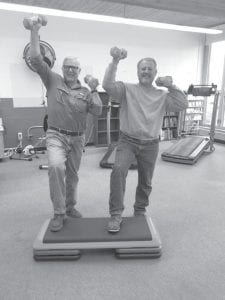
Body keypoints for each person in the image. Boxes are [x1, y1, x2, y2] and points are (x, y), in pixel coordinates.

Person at [25, 15, 102, 232]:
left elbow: (97, 110)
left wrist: (95, 88)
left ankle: (70, 207)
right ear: (63, 67)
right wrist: (34, 31)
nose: (70, 70)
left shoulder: (86, 91)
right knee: (56, 168)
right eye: (67, 66)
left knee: (73, 175)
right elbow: (35, 59)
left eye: (74, 68)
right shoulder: (52, 79)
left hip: (77, 138)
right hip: (56, 135)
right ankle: (59, 212)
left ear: (79, 71)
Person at [103, 47, 188, 233]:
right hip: (127, 141)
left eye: (150, 69)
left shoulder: (162, 95)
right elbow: (107, 85)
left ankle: (139, 210)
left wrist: (171, 85)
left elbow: (183, 104)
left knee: (146, 180)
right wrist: (115, 61)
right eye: (143, 68)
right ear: (137, 72)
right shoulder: (127, 89)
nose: (146, 71)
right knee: (118, 171)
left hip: (151, 144)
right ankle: (116, 214)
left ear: (155, 73)